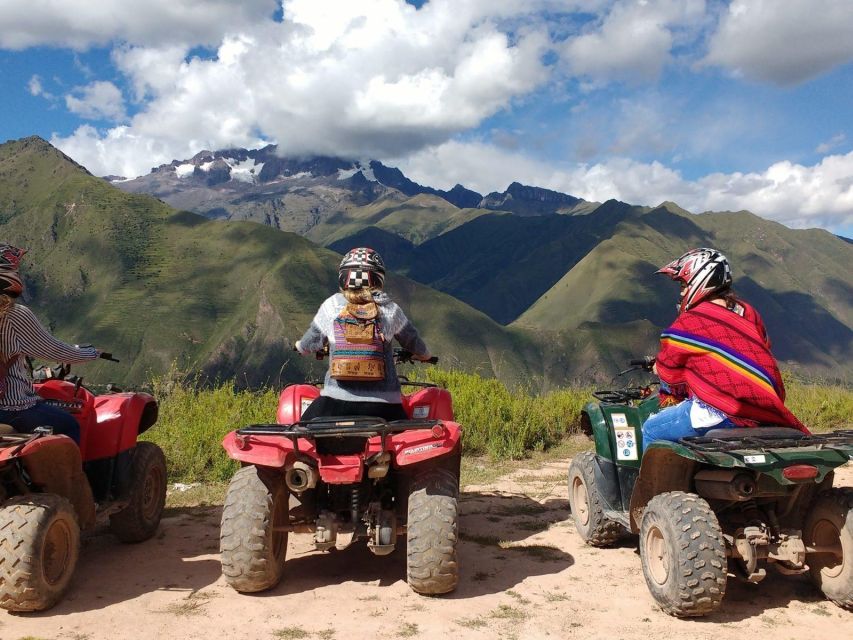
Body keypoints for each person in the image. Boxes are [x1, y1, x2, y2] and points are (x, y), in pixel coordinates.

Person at [641, 247, 808, 451]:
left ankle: (654, 484)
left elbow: (670, 366)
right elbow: (760, 351)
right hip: (763, 409)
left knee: (650, 429)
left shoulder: (691, 321)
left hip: (718, 411)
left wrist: (659, 369)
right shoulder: (748, 312)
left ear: (701, 281)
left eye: (684, 285)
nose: (682, 292)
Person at [295, 247, 431, 422]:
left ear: (344, 277)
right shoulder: (389, 308)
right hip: (384, 405)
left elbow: (311, 340)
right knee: (406, 435)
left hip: (336, 401)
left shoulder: (332, 306)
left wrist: (300, 347)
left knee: (301, 428)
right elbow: (412, 341)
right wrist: (425, 355)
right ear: (378, 278)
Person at [0, 244, 99, 444]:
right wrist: (93, 353)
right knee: (69, 425)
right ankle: (72, 475)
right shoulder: (13, 315)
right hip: (12, 407)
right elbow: (56, 351)